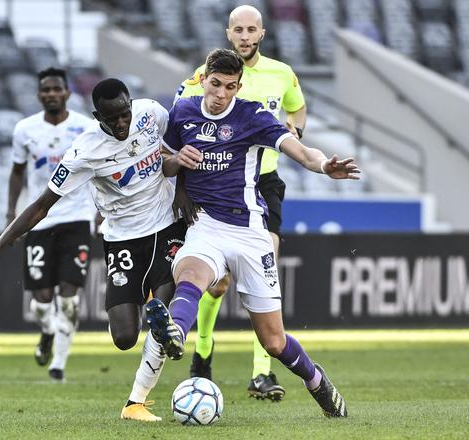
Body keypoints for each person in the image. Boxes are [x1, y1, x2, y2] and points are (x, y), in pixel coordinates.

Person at [0, 78, 185, 422]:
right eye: (114, 118)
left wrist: (182, 186)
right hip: (122, 238)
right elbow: (40, 206)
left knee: (161, 314)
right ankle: (154, 341)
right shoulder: (83, 152)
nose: (122, 123)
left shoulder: (150, 113)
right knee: (124, 337)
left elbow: (177, 147)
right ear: (98, 116)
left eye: (125, 113)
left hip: (167, 226)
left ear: (131, 105)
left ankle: (135, 402)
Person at [158, 48, 358, 417]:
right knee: (191, 274)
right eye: (215, 84)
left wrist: (323, 165)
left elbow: (298, 150)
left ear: (238, 87)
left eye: (229, 87)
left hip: (250, 233)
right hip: (206, 225)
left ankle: (317, 382)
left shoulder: (252, 116)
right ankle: (175, 334)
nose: (220, 95)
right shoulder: (182, 112)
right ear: (203, 79)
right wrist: (175, 162)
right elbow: (163, 162)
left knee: (274, 341)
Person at [174, 4, 306, 401]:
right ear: (228, 34)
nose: (245, 36)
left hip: (264, 181)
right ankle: (202, 351)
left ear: (262, 34)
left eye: (252, 30)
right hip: (220, 187)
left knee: (268, 273)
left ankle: (262, 373)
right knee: (217, 286)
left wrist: (294, 131)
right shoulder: (205, 77)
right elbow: (181, 125)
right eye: (239, 30)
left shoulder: (281, 73)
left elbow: (296, 109)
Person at [7, 67, 95, 381]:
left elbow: (97, 169)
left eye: (57, 89)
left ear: (67, 93)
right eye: (46, 90)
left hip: (77, 217)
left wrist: (102, 208)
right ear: (39, 95)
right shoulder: (25, 129)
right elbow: (17, 172)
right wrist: (11, 214)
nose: (51, 94)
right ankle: (46, 331)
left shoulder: (86, 128)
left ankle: (58, 364)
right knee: (42, 302)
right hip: (39, 220)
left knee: (69, 299)